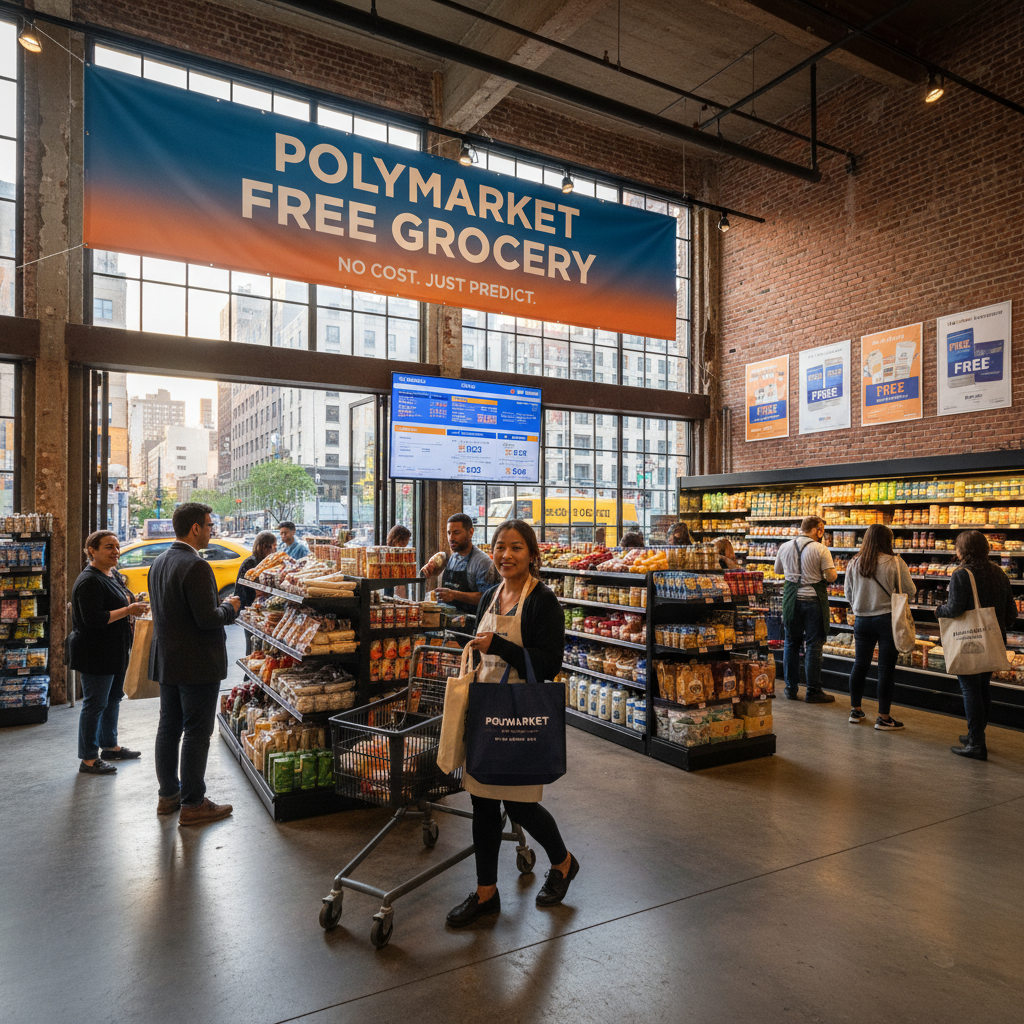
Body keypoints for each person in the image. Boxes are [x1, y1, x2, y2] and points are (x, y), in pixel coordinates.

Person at [447, 519, 578, 927]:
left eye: (516, 547)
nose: (506, 555)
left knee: (521, 804)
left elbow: (550, 663)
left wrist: (501, 645)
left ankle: (564, 862)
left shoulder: (543, 602)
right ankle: (486, 893)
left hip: (521, 714)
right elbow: (481, 648)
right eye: (500, 546)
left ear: (532, 555)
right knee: (482, 802)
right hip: (486, 710)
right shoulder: (489, 595)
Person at [149, 503, 241, 825]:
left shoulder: (158, 562)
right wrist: (232, 607)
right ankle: (193, 803)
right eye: (209, 525)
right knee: (197, 733)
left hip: (168, 661)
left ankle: (168, 796)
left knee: (169, 727)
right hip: (198, 664)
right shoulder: (197, 566)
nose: (212, 529)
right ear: (195, 529)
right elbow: (208, 619)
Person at [70, 531, 150, 775]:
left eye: (116, 546)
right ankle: (88, 759)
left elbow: (118, 602)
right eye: (108, 547)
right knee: (95, 704)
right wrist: (128, 610)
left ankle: (110, 746)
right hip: (96, 652)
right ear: (91, 550)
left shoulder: (111, 574)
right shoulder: (89, 580)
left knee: (114, 697)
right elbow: (93, 619)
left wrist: (133, 603)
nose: (115, 551)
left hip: (115, 649)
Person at [936, 530, 1017, 760]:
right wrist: (995, 628)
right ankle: (975, 734)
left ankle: (976, 744)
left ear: (963, 550)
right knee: (983, 688)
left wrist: (938, 610)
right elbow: (1011, 612)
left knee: (970, 689)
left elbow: (954, 609)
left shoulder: (962, 574)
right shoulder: (999, 573)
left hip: (970, 640)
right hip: (993, 639)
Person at [844, 524, 916, 730]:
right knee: (885, 670)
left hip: (861, 620)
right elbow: (910, 591)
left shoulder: (854, 562)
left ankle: (855, 711)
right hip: (887, 620)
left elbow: (848, 593)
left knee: (860, 665)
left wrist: (862, 604)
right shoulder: (895, 562)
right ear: (887, 540)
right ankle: (884, 718)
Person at [775, 515, 838, 703]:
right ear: (818, 529)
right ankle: (813, 691)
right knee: (813, 646)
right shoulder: (821, 549)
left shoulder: (784, 546)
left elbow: (778, 570)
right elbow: (832, 576)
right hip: (813, 601)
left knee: (791, 643)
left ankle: (790, 688)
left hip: (791, 601)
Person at [432, 513, 499, 629]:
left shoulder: (482, 562)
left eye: (456, 533)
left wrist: (454, 595)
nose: (451, 538)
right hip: (449, 624)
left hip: (469, 628)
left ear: (471, 532)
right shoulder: (453, 557)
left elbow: (487, 598)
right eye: (449, 533)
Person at [234, 531, 277, 611]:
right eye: (273, 546)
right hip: (247, 606)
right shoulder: (252, 562)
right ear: (264, 547)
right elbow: (253, 591)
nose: (275, 550)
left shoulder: (263, 562)